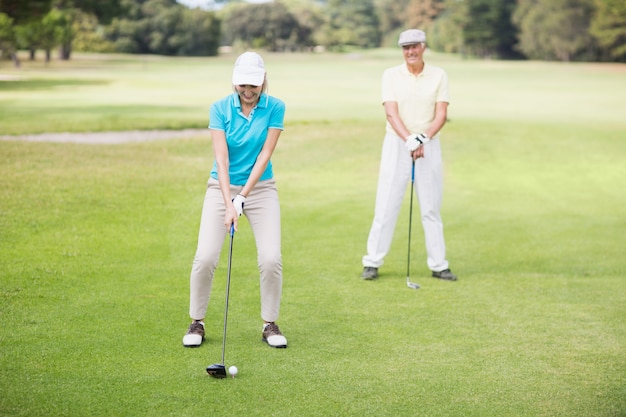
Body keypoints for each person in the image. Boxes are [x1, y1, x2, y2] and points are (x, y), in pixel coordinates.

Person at [183, 51, 288, 348]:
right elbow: (222, 159)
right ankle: (197, 322)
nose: (248, 91)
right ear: (235, 82)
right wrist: (230, 201)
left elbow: (265, 154)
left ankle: (270, 323)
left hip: (262, 188)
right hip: (220, 187)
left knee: (271, 259)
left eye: (254, 85)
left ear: (263, 81)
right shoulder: (220, 108)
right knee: (205, 257)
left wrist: (244, 196)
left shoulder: (275, 107)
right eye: (243, 85)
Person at [361, 29, 457, 282]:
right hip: (396, 142)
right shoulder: (391, 75)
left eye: (414, 46)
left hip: (429, 144)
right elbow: (391, 113)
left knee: (431, 206)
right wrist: (409, 139)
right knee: (386, 203)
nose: (410, 52)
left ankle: (439, 265)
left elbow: (441, 114)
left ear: (423, 46)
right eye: (406, 47)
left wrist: (423, 137)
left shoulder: (438, 75)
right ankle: (372, 262)